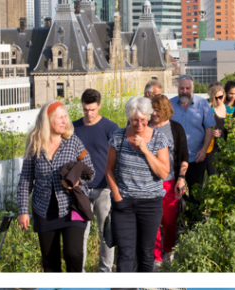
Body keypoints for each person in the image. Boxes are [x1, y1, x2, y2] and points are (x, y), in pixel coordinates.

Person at [16, 101, 95, 272]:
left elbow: (91, 171)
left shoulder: (73, 141)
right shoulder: (34, 146)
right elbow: (25, 180)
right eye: (60, 117)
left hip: (73, 207)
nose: (64, 121)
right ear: (48, 120)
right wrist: (23, 210)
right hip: (44, 210)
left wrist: (78, 182)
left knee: (73, 254)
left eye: (65, 117)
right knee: (50, 262)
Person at [105, 97, 172, 272]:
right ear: (129, 117)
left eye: (143, 120)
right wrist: (117, 197)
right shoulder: (118, 137)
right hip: (124, 204)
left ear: (148, 117)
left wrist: (145, 149)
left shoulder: (159, 138)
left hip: (150, 204)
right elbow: (109, 170)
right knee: (125, 255)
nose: (139, 124)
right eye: (135, 120)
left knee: (146, 254)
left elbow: (163, 172)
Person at [73, 89, 120, 273]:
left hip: (104, 190)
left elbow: (118, 159)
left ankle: (105, 271)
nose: (89, 113)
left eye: (92, 109)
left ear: (99, 106)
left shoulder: (111, 128)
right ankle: (79, 272)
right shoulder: (73, 128)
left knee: (106, 233)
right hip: (79, 192)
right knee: (79, 234)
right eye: (85, 109)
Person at [148, 95, 189, 268]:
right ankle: (156, 258)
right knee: (153, 221)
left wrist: (181, 178)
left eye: (158, 110)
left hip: (170, 181)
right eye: (152, 110)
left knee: (169, 221)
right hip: (149, 182)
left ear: (165, 111)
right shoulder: (146, 127)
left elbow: (184, 156)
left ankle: (169, 251)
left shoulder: (175, 128)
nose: (154, 113)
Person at [170, 75, 215, 217]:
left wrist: (204, 150)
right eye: (182, 88)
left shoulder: (203, 104)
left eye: (187, 88)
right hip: (174, 159)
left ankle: (194, 224)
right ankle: (179, 224)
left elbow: (209, 129)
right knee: (175, 195)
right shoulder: (169, 105)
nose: (184, 91)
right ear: (177, 88)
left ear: (193, 88)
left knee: (196, 194)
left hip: (196, 157)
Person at [205, 84, 228, 176]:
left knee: (226, 178)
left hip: (227, 149)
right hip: (212, 149)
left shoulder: (231, 110)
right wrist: (211, 133)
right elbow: (201, 129)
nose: (218, 100)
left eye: (220, 97)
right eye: (215, 98)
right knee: (213, 177)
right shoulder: (209, 111)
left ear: (224, 95)